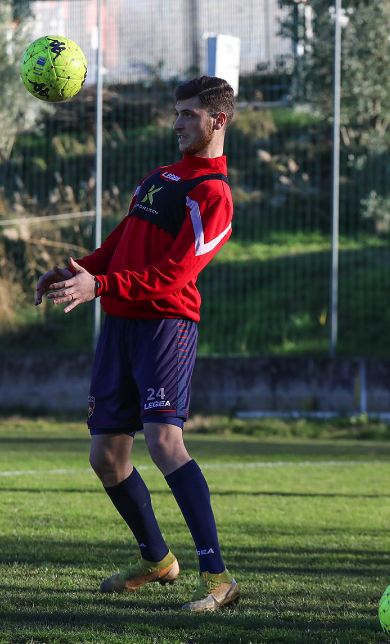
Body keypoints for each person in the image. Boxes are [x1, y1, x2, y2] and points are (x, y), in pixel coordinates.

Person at [34, 76, 237, 612]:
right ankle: (157, 560)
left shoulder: (213, 195)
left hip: (164, 326)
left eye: (189, 115)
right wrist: (74, 272)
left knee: (165, 444)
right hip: (119, 326)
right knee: (106, 456)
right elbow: (120, 244)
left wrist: (98, 286)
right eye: (176, 113)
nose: (177, 124)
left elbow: (174, 274)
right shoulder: (160, 176)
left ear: (218, 121)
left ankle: (217, 578)